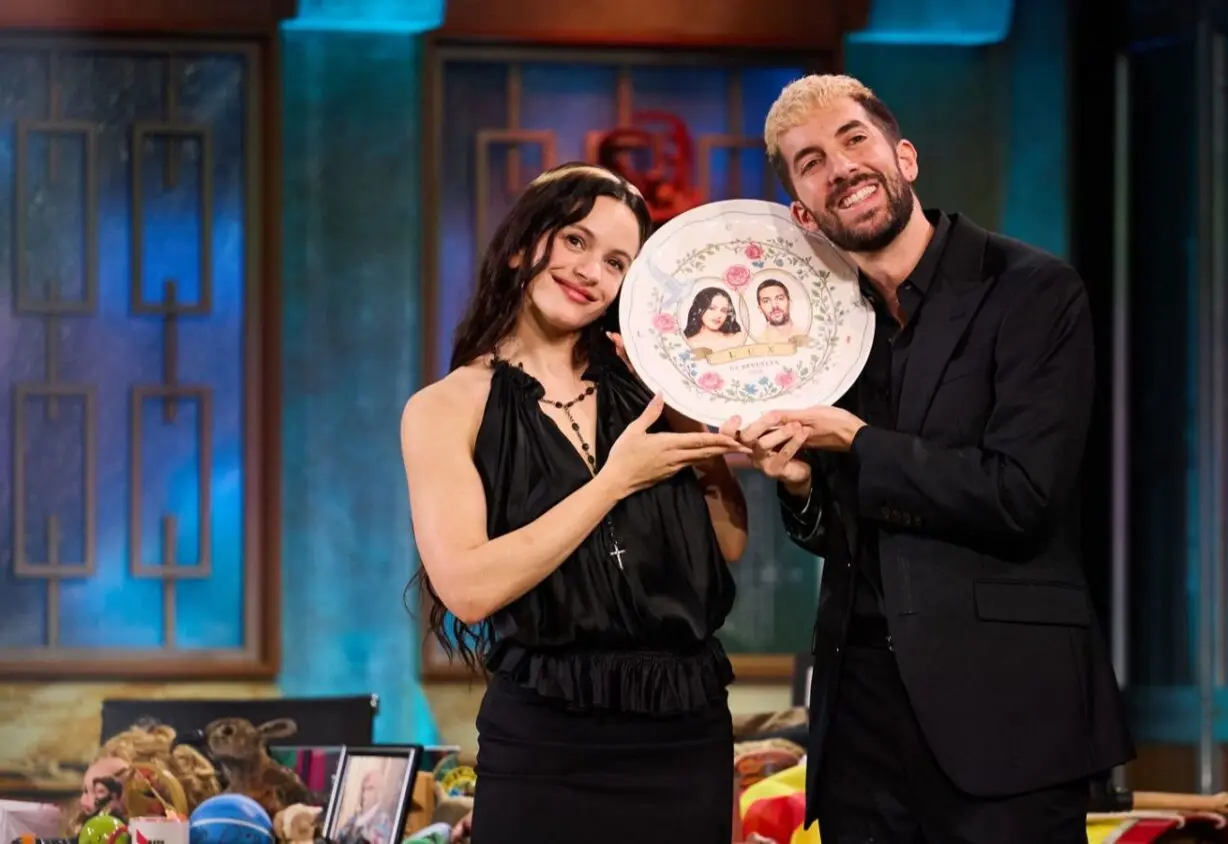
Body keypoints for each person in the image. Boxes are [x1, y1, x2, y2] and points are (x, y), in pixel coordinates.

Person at [737, 74, 1135, 843]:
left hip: (1006, 717)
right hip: (860, 726)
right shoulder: (822, 336)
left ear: (905, 157)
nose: (841, 167)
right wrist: (802, 489)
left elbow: (1022, 495)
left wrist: (856, 442)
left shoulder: (1033, 291)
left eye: (854, 139)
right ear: (802, 213)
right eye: (811, 162)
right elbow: (845, 535)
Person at [400, 162, 751, 844]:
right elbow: (467, 589)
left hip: (685, 728)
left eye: (617, 262)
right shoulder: (446, 408)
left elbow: (728, 543)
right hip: (546, 740)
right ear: (520, 246)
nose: (591, 271)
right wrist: (614, 481)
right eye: (575, 241)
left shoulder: (645, 385)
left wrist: (683, 405)